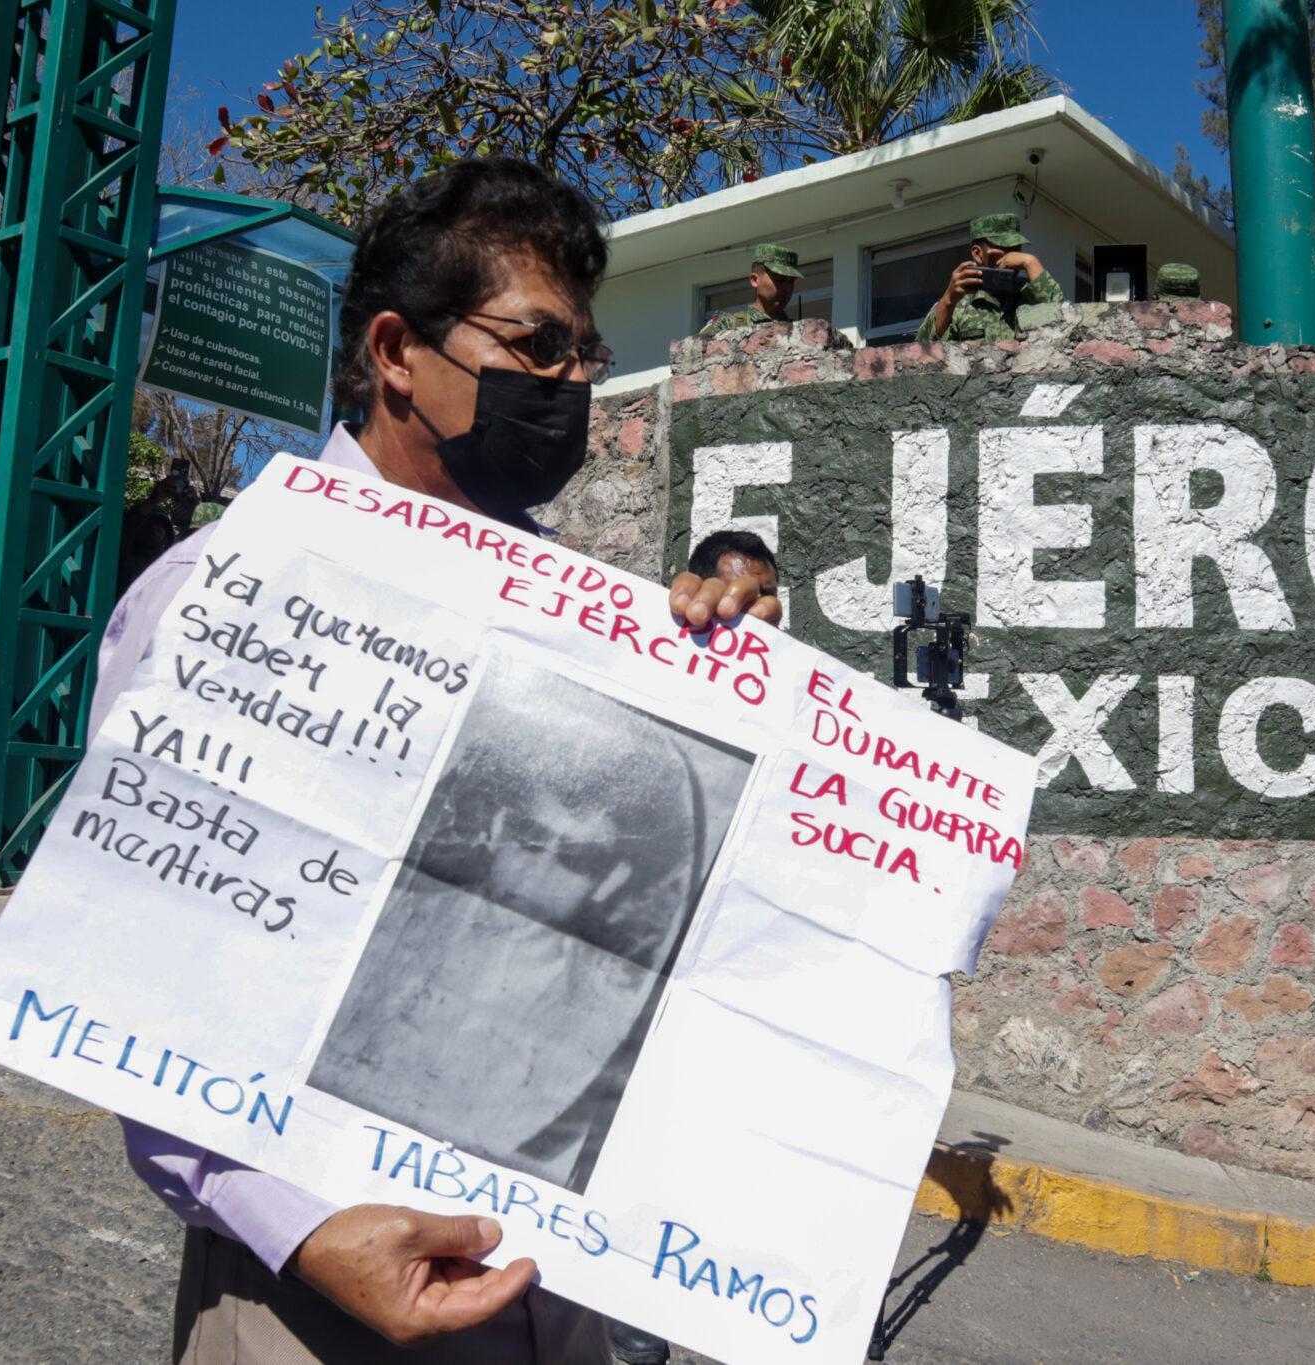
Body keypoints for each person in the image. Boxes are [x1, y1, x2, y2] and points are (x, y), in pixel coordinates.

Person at [93, 157, 780, 1365]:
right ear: (399, 351)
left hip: (569, 1298)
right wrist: (300, 1231)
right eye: (535, 344)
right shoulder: (226, 600)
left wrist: (730, 684)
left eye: (584, 354)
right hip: (323, 1295)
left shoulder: (599, 625)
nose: (572, 383)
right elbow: (128, 987)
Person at [607, 524, 784, 1365]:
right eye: (732, 590)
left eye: (767, 595)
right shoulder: (649, 667)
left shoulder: (796, 714)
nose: (750, 610)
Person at [917, 213, 1065, 344]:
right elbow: (921, 350)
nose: (1011, 259)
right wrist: (949, 300)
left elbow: (1067, 323)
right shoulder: (961, 306)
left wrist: (1031, 262)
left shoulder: (1032, 296)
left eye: (1016, 251)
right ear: (977, 254)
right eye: (1002, 251)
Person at [696, 244, 804, 336]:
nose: (786, 288)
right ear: (755, 280)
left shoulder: (799, 331)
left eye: (791, 281)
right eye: (779, 280)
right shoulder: (726, 326)